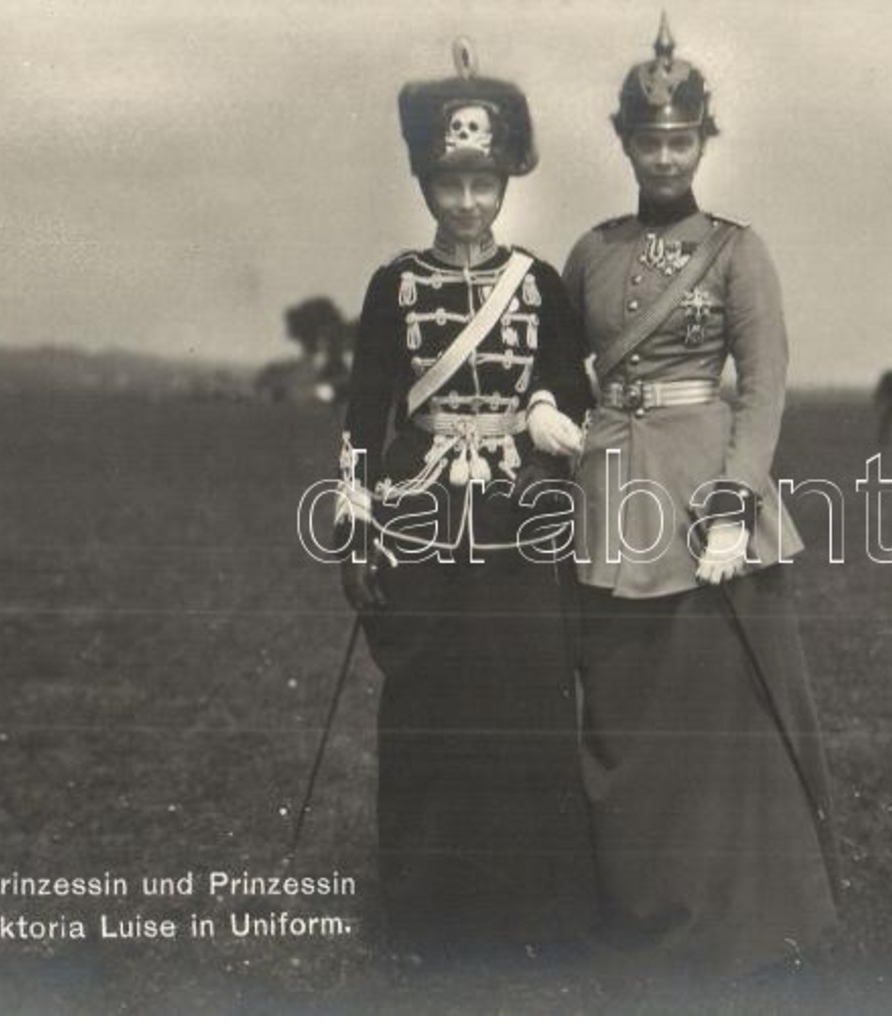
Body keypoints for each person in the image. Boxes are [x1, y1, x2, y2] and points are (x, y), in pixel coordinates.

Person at [561, 16, 839, 976]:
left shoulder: (735, 250)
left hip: (705, 495)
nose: (666, 154)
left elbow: (761, 388)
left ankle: (737, 909)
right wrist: (544, 421)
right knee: (623, 707)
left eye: (682, 138)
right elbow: (562, 376)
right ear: (625, 141)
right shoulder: (590, 252)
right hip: (607, 489)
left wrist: (732, 502)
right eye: (649, 139)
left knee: (712, 720)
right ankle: (637, 898)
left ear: (703, 141)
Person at [331, 40, 596, 961]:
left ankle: (533, 907)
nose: (469, 203)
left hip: (521, 511)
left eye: (484, 182)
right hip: (420, 512)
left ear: (506, 181)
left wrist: (551, 407)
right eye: (450, 182)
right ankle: (426, 906)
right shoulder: (392, 285)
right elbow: (364, 414)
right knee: (428, 698)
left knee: (525, 694)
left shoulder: (538, 283)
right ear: (424, 181)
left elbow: (567, 378)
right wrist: (355, 525)